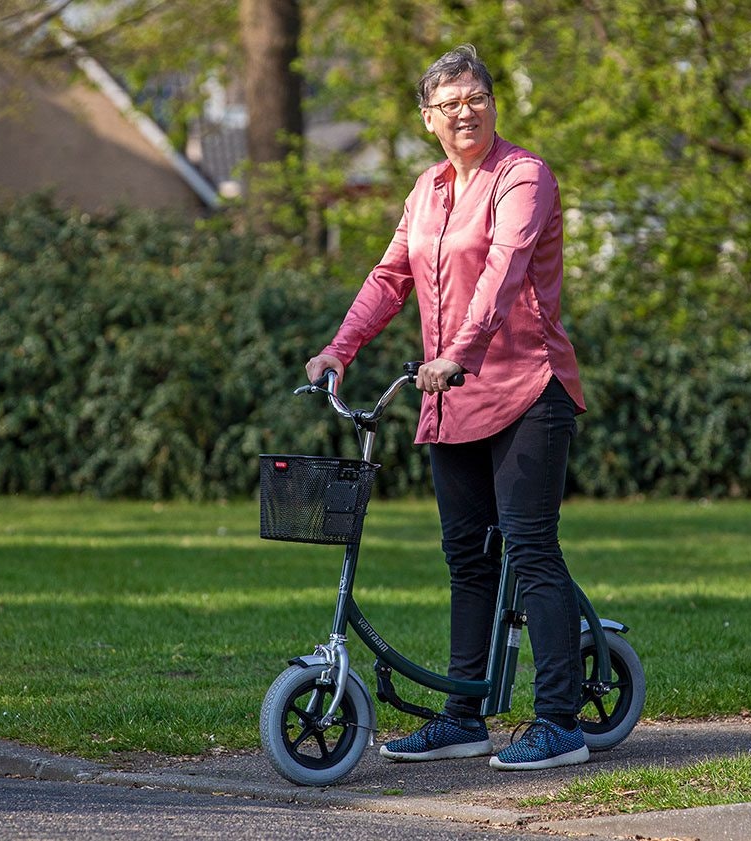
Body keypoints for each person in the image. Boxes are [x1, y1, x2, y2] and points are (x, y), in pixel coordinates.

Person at [305, 44, 589, 772]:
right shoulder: (426, 189)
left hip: (526, 385)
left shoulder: (522, 177)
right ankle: (463, 715)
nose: (465, 111)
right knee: (467, 558)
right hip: (452, 395)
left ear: (493, 104)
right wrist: (341, 348)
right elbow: (389, 274)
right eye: (449, 102)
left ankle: (560, 722)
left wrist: (456, 351)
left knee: (528, 550)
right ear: (428, 118)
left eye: (476, 97)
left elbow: (504, 269)